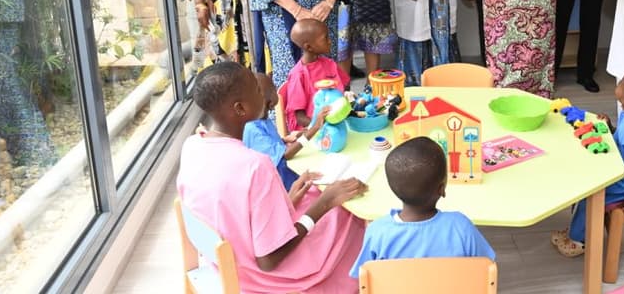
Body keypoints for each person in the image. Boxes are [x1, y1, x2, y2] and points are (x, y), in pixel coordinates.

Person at [177, 62, 367, 293]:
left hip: (223, 263)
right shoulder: (255, 165)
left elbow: (233, 209)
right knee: (348, 215)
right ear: (240, 108)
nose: (265, 93)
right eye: (256, 89)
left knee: (313, 196)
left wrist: (288, 200)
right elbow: (268, 260)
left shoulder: (193, 145)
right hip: (262, 279)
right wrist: (325, 202)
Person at [552, 70, 624, 257]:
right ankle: (579, 228)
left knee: (589, 196)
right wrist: (611, 127)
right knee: (587, 187)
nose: (619, 83)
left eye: (622, 84)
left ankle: (578, 240)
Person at [349, 136, 495, 276]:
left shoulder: (377, 231)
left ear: (393, 189)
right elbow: (487, 267)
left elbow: (365, 277)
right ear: (442, 188)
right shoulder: (461, 226)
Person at [242, 76, 330, 191]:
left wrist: (285, 139)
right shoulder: (252, 128)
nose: (276, 89)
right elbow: (285, 155)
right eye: (273, 88)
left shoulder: (262, 119)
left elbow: (266, 146)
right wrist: (315, 128)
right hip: (282, 182)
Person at [283, 19, 350, 131]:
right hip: (314, 130)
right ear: (309, 47)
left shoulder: (330, 64)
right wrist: (322, 125)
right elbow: (300, 118)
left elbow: (344, 89)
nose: (330, 41)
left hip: (337, 121)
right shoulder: (298, 75)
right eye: (325, 38)